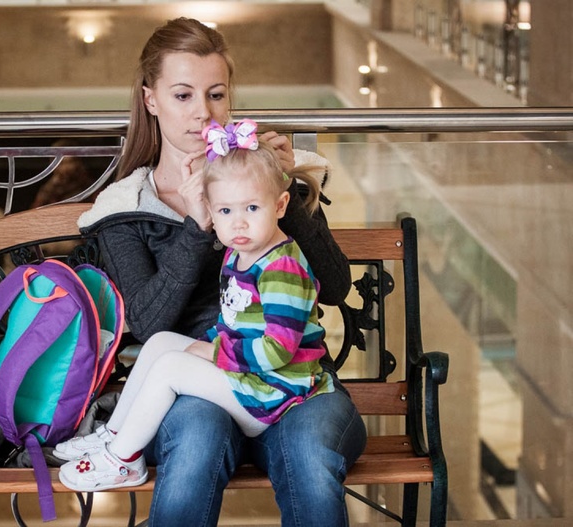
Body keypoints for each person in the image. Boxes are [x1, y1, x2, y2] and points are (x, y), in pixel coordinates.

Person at [73, 17, 366, 526]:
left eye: (216, 95)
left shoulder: (261, 185)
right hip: (193, 382)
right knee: (196, 445)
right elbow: (149, 323)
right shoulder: (126, 205)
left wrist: (282, 193)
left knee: (310, 455)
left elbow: (336, 286)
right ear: (150, 100)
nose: (203, 114)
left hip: (291, 380)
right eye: (183, 95)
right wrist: (196, 226)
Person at [57, 120, 337, 495]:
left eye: (252, 208)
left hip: (275, 392)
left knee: (171, 367)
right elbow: (232, 322)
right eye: (225, 211)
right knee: (161, 344)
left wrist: (212, 352)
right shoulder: (238, 256)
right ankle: (114, 434)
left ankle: (122, 461)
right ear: (210, 212)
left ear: (280, 205)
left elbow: (278, 351)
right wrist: (205, 343)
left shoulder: (280, 267)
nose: (238, 223)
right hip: (251, 380)